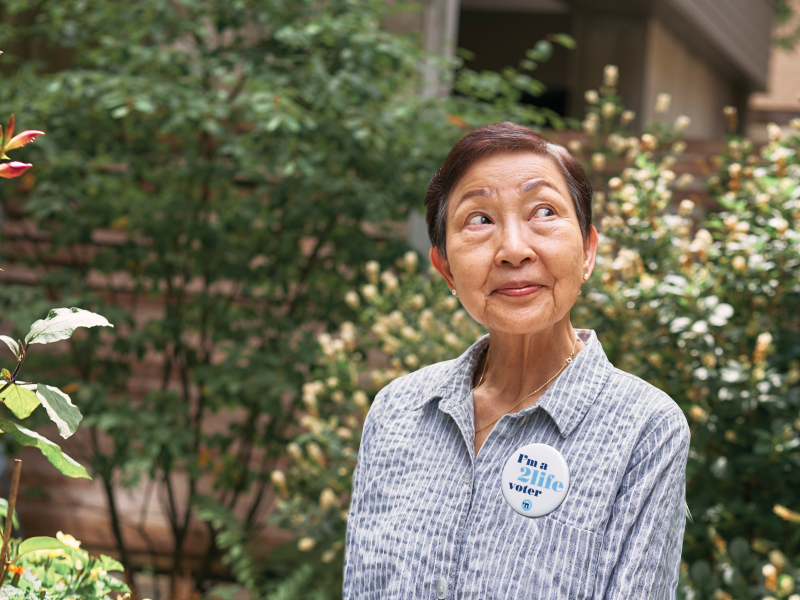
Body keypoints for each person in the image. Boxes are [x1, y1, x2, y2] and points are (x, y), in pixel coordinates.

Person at [343, 122, 690, 599]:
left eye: (543, 211)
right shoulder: (397, 411)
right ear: (445, 267)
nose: (513, 250)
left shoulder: (644, 428)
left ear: (588, 250)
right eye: (479, 219)